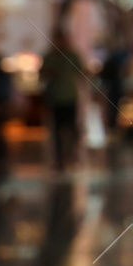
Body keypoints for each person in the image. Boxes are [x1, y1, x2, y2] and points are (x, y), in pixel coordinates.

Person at [39, 30, 84, 173]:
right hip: (55, 98)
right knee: (57, 131)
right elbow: (42, 75)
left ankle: (72, 155)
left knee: (71, 129)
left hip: (70, 97)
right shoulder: (49, 57)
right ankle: (59, 159)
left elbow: (81, 72)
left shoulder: (72, 55)